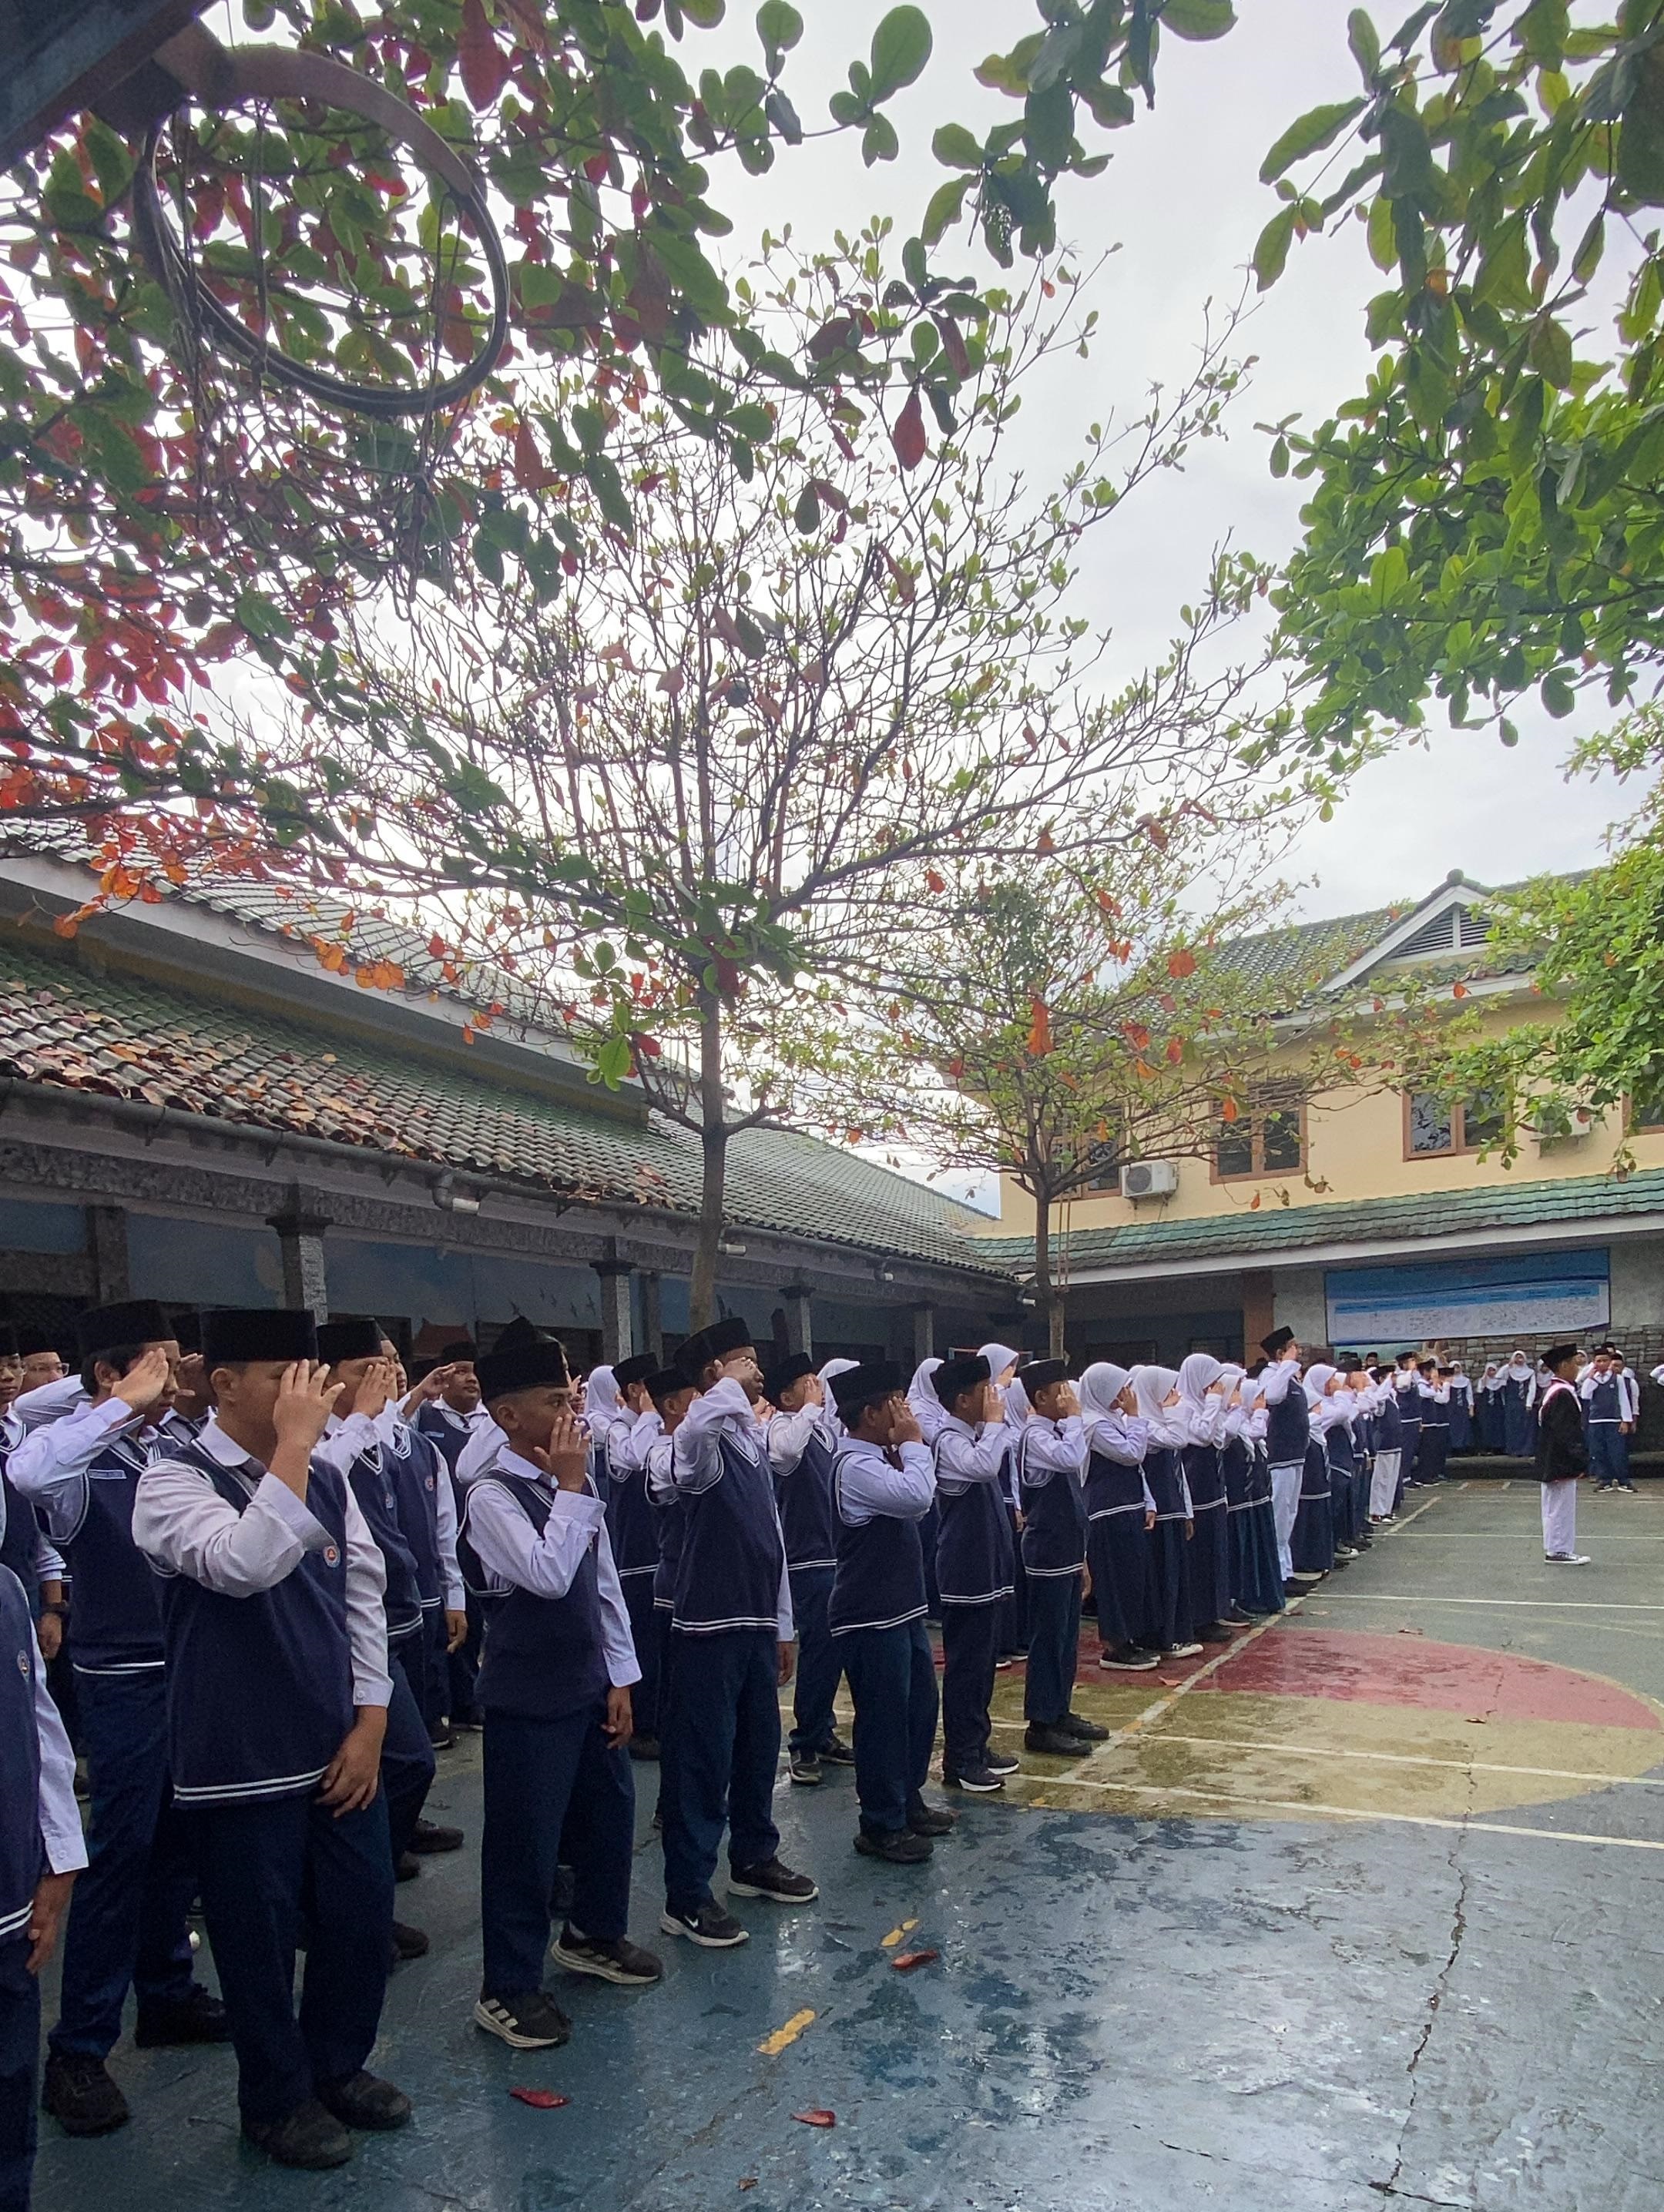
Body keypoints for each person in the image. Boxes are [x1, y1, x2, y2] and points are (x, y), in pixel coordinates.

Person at [133, 1308, 408, 2171]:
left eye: (312, 1375)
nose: (309, 1393)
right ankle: (275, 2099)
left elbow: (364, 1592)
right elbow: (242, 1565)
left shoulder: (328, 1476)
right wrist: (292, 1450)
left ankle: (337, 2065)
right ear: (223, 1385)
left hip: (334, 1745)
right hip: (239, 1757)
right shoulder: (171, 1480)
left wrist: (371, 1721)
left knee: (359, 1919)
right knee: (256, 1938)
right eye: (286, 1375)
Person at [9, 1299, 227, 2139]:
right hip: (122, 1675)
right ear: (113, 1372)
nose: (183, 1378)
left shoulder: (173, 1448)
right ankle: (80, 2046)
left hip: (186, 1667)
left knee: (178, 1839)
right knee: (121, 1850)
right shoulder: (82, 1458)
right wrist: (112, 1404)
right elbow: (29, 1476)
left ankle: (166, 1991)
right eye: (163, 1363)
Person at [460, 1331, 663, 2052]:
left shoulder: (568, 1483)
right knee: (526, 1842)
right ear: (508, 1417)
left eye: (573, 1394)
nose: (572, 1408)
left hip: (585, 1684)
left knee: (610, 1815)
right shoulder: (491, 1495)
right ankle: (508, 1987)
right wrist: (573, 1487)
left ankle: (593, 1934)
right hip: (527, 1695)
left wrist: (622, 1677)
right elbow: (545, 1576)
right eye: (555, 1400)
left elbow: (602, 1586)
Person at [659, 1316, 817, 1947]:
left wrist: (783, 1624)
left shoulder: (751, 1441)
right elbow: (690, 1443)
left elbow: (772, 1540)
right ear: (712, 1376)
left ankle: (753, 1858)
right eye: (745, 1360)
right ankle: (686, 1895)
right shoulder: (697, 1439)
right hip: (707, 1626)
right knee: (701, 1763)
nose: (758, 1370)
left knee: (757, 1750)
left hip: (754, 1622)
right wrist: (720, 1386)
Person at [313, 1322, 441, 1948]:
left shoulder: (382, 1436)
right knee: (397, 1762)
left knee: (405, 1764)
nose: (384, 1378)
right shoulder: (313, 1440)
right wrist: (365, 1417)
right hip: (339, 1635)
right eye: (368, 1367)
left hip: (391, 1616)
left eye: (389, 1364)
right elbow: (316, 1488)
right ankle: (352, 1908)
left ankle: (367, 1893)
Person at [824, 1359, 954, 1864]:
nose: (904, 1411)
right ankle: (880, 1823)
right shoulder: (855, 1466)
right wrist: (916, 1443)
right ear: (870, 1413)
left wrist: (907, 1448)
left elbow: (917, 1500)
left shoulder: (884, 1455)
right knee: (882, 1719)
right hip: (869, 1614)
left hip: (901, 1610)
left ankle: (908, 1800)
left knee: (919, 1709)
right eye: (893, 1403)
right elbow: (918, 1496)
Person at [1, 1557, 86, 2212]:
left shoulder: (7, 1592)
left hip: (11, 1916)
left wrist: (59, 1860)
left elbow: (40, 1724)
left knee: (9, 2097)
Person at [931, 1352, 1019, 1793]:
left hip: (987, 1568)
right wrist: (999, 1424)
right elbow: (983, 1466)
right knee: (966, 1667)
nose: (993, 1397)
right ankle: (960, 1759)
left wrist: (996, 1426)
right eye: (985, 1390)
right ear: (963, 1400)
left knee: (984, 1665)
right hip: (965, 1571)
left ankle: (978, 1745)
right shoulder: (949, 1439)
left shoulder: (977, 1434)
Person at [1012, 1358, 1109, 1754]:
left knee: (1068, 1637)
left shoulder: (1056, 1432)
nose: (1069, 1399)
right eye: (1061, 1392)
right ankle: (1041, 1722)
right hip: (1047, 1551)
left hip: (1068, 1550)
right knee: (1048, 1638)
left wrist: (1083, 1557)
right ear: (1040, 1398)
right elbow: (1070, 1458)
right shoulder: (1035, 1436)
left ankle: (1060, 1709)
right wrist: (1074, 1418)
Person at [766, 1354, 854, 1788]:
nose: (816, 1388)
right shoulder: (782, 1427)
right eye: (806, 1383)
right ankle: (803, 1742)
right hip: (807, 1557)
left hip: (833, 1552)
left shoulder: (820, 1428)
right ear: (786, 1396)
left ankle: (822, 1730)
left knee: (832, 1648)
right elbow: (784, 1453)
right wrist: (809, 1409)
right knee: (817, 1648)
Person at [599, 1352, 665, 1755]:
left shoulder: (652, 1427)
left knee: (662, 1647)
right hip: (637, 1559)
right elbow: (635, 1459)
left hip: (664, 1554)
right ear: (636, 1391)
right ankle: (640, 1727)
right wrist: (646, 1416)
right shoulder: (617, 1432)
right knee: (641, 1643)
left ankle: (658, 1720)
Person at [1077, 1362, 1160, 1671]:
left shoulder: (1113, 1419)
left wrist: (1147, 1502)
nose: (1124, 1396)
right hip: (1106, 1512)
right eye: (1118, 1389)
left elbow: (1136, 1468)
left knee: (1132, 1578)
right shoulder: (1093, 1424)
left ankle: (1129, 1638)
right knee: (1114, 1579)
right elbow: (1131, 1454)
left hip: (1128, 1507)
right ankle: (1114, 1645)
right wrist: (1136, 1416)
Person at [1126, 1366, 1201, 1657]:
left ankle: (1176, 1633)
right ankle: (1160, 1637)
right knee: (1160, 1579)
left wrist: (1188, 1511)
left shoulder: (1158, 1422)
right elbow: (1178, 1439)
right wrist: (1175, 1411)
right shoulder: (1145, 1424)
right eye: (1169, 1391)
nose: (1176, 1397)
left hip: (1173, 1511)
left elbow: (1178, 1471)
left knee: (1175, 1577)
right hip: (1155, 1515)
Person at [1173, 1353, 1239, 1644]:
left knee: (1215, 1553)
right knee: (1199, 1557)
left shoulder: (1204, 1405)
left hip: (1213, 1490)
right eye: (1210, 1381)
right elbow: (1200, 1436)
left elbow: (1220, 1438)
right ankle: (1199, 1617)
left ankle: (1215, 1610)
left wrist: (1218, 1407)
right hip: (1196, 1493)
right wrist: (1213, 1404)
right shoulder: (1183, 1407)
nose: (1215, 1387)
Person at [1259, 1327, 1309, 1594]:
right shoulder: (1271, 1375)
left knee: (1290, 1514)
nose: (1297, 1352)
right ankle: (1278, 1575)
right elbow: (1273, 1397)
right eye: (1292, 1347)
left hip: (1295, 1455)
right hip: (1280, 1458)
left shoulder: (1290, 1377)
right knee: (1279, 1517)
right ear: (1280, 1353)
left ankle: (1287, 1570)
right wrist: (1286, 1366)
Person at [1536, 1342, 1591, 1565]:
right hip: (1560, 1460)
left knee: (1555, 1506)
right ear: (1563, 1365)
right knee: (1560, 1507)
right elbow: (1567, 1433)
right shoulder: (1561, 1394)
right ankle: (1558, 1550)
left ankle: (1557, 1547)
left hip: (1554, 1458)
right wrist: (1580, 1460)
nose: (1578, 1368)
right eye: (1574, 1363)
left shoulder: (1556, 1391)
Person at [1582, 1346, 1639, 1495]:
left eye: (1605, 1361)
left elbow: (1623, 1400)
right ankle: (1604, 1480)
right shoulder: (1592, 1379)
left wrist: (1625, 1420)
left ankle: (1623, 1480)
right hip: (1595, 1421)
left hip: (1613, 1420)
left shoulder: (1617, 1379)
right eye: (1598, 1361)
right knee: (1598, 1451)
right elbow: (1585, 1395)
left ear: (1609, 1362)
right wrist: (1591, 1378)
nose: (1602, 1364)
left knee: (1617, 1451)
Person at [1500, 1349, 1538, 1458]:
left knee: (1524, 1426)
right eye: (1517, 1357)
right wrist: (1508, 1365)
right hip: (1512, 1402)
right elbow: (1499, 1376)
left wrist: (1529, 1403)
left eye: (1521, 1357)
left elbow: (1532, 1388)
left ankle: (1525, 1449)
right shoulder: (1509, 1371)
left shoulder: (1530, 1372)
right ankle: (1513, 1449)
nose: (1519, 1360)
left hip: (1523, 1402)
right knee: (1512, 1426)